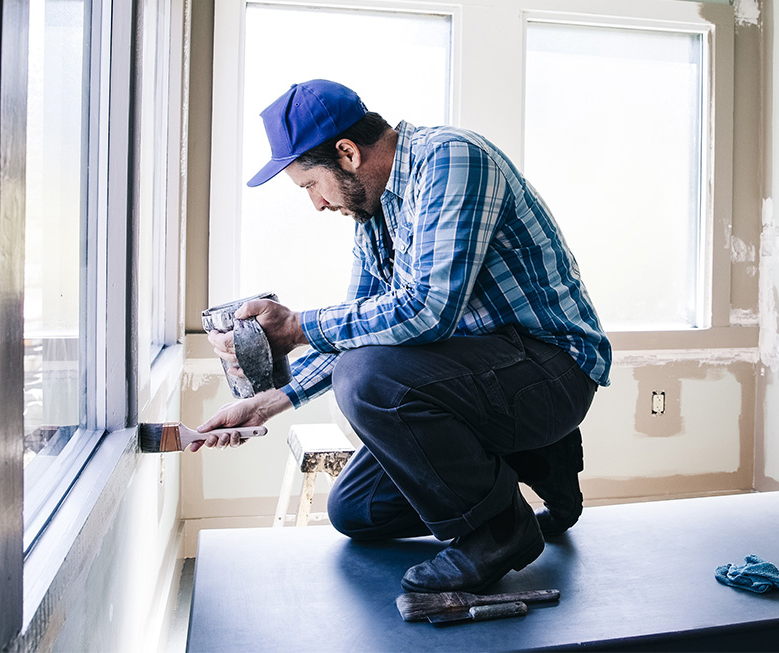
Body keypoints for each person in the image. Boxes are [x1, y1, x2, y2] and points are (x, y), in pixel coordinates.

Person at [197, 79, 611, 594]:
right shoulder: (375, 214)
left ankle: (500, 531)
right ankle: (535, 459)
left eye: (310, 186)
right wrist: (269, 401)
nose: (318, 205)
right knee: (357, 511)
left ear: (347, 153)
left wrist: (297, 326)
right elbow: (363, 325)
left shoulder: (453, 160)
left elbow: (428, 311)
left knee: (364, 378)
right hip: (477, 380)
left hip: (551, 371)